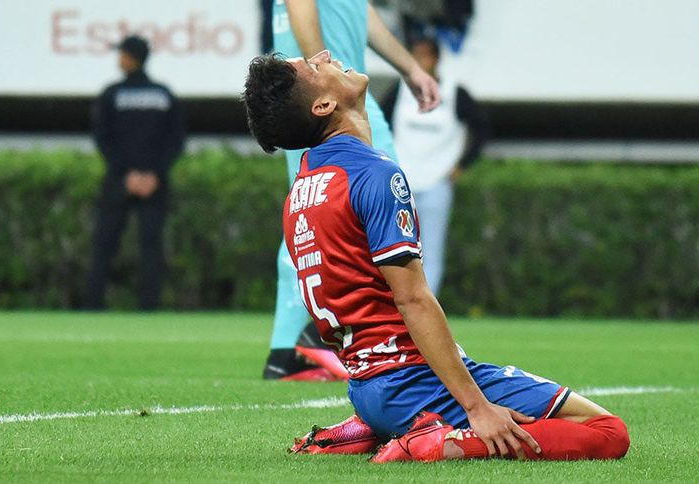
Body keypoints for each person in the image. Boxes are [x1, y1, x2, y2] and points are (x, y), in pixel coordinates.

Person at [242, 51, 630, 463]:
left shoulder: (301, 190)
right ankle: (430, 441)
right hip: (414, 381)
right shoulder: (372, 173)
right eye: (314, 66)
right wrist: (478, 408)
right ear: (323, 105)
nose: (323, 55)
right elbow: (412, 299)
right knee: (608, 432)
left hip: (367, 387)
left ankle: (371, 427)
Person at [263, 0, 441, 380]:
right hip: (331, 100)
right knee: (376, 206)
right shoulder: (331, 84)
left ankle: (288, 348)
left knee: (311, 211)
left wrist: (410, 68)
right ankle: (339, 337)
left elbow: (360, 12)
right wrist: (322, 76)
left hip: (327, 95)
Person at [84, 35, 186, 311]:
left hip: (119, 181)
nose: (119, 59)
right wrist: (154, 174)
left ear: (131, 57)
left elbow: (103, 138)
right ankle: (148, 307)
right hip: (155, 183)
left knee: (104, 244)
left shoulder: (112, 94)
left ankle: (92, 305)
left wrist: (125, 174)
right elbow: (175, 141)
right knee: (151, 247)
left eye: (123, 54)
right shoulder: (164, 94)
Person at [380, 37, 488, 295]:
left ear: (436, 59)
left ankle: (426, 308)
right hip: (400, 184)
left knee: (431, 251)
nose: (420, 61)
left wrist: (461, 165)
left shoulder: (453, 92)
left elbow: (482, 128)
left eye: (425, 55)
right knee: (393, 249)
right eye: (415, 55)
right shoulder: (400, 90)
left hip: (436, 183)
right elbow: (379, 123)